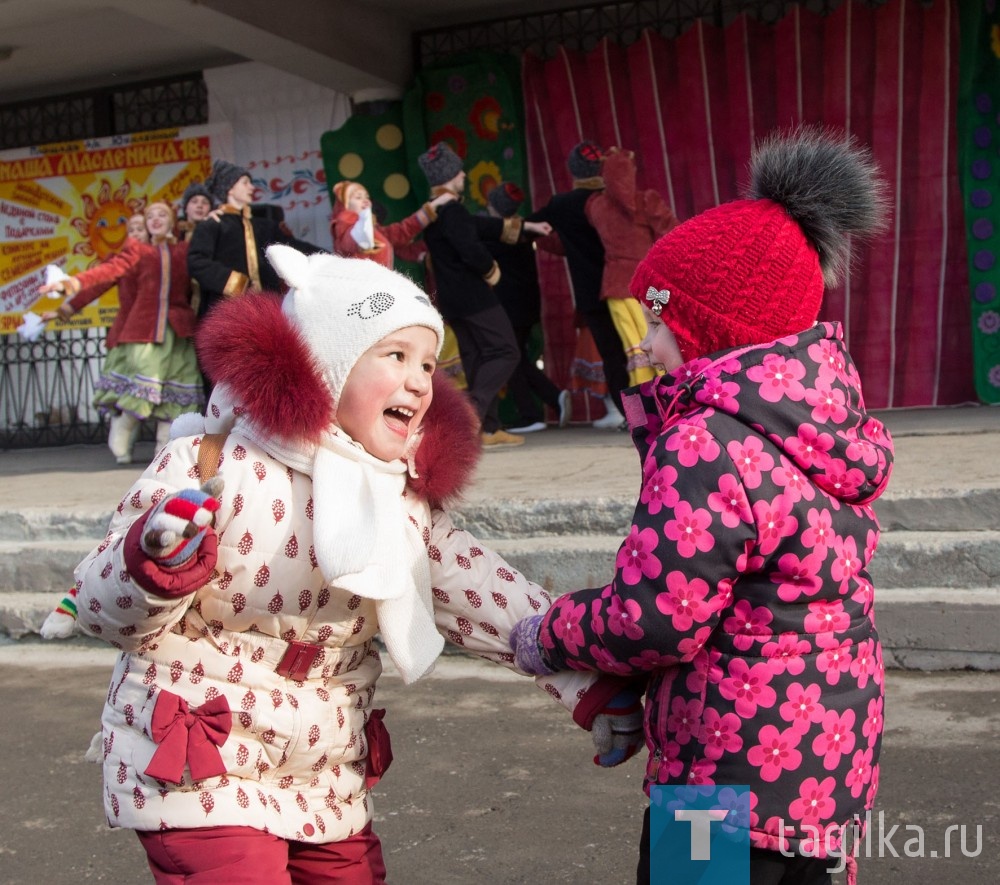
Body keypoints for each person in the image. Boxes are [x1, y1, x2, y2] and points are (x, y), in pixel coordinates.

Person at [69, 244, 634, 884]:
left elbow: (484, 593)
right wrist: (154, 564)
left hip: (324, 768)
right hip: (203, 757)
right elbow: (96, 605)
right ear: (326, 366)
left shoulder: (400, 497)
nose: (420, 380)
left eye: (428, 362)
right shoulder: (211, 465)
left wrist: (590, 685)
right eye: (394, 356)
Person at [510, 127, 893, 884]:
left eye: (658, 323)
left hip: (718, 786)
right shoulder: (823, 427)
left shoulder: (706, 442)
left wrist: (548, 632)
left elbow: (657, 617)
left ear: (713, 333)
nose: (645, 346)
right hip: (824, 771)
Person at [38, 201, 204, 463]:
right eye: (151, 215)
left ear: (173, 221)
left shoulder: (185, 250)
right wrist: (70, 286)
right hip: (144, 332)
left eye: (162, 215)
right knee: (143, 386)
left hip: (179, 332)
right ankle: (122, 435)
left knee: (179, 394)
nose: (156, 219)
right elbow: (106, 273)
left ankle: (166, 452)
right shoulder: (138, 251)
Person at [416, 142, 551, 449]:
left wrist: (527, 225)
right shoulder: (451, 210)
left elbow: (482, 225)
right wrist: (491, 270)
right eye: (459, 170)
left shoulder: (435, 212)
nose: (463, 174)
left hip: (451, 300)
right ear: (450, 174)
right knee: (506, 351)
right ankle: (473, 409)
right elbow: (471, 247)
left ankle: (489, 429)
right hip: (473, 296)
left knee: (476, 357)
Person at [528, 140, 629, 429]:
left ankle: (628, 414)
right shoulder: (615, 197)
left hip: (592, 293)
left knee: (613, 357)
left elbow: (531, 228)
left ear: (574, 171)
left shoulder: (562, 205)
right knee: (641, 350)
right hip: (630, 288)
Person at [585, 146, 678, 389]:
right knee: (661, 347)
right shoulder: (646, 200)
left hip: (615, 289)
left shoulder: (595, 206)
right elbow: (674, 234)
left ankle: (643, 415)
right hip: (647, 288)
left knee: (635, 353)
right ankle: (668, 405)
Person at [483, 181, 571, 433]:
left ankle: (534, 411)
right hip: (527, 304)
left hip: (511, 307)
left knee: (510, 357)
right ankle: (550, 400)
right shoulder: (525, 231)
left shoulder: (502, 237)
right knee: (516, 355)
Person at [186, 159, 319, 323]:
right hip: (228, 311)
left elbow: (293, 246)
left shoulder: (263, 226)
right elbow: (196, 262)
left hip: (267, 307)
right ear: (230, 188)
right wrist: (236, 283)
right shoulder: (213, 225)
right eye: (245, 183)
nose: (252, 187)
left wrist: (329, 256)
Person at [329, 179, 454, 269]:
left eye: (366, 196)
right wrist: (365, 217)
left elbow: (402, 231)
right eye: (358, 197)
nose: (365, 200)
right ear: (345, 204)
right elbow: (358, 239)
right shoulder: (344, 231)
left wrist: (433, 207)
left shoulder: (375, 231)